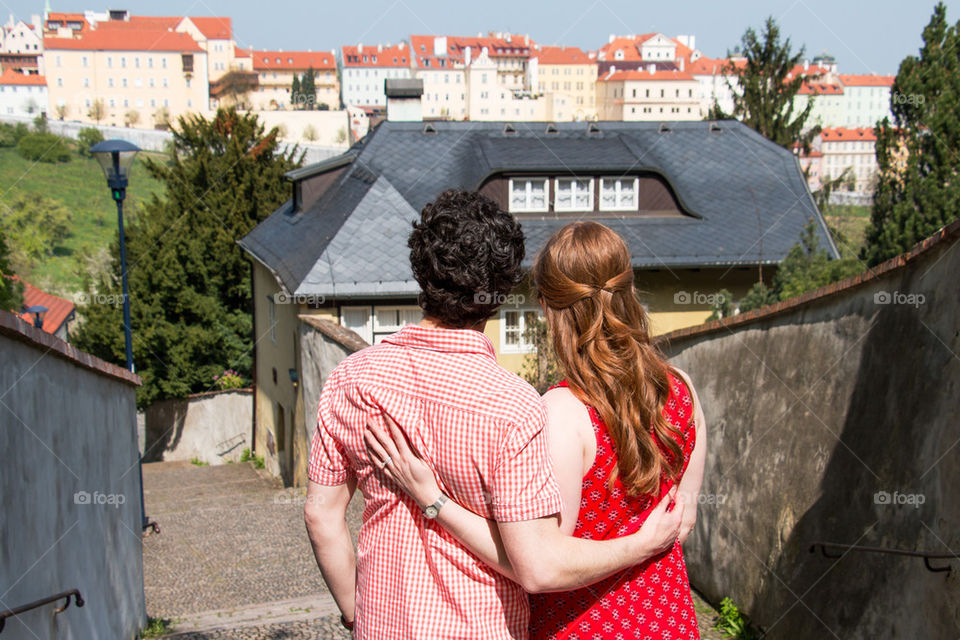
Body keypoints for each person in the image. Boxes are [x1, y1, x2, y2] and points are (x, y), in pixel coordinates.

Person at [304, 191, 686, 640]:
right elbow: (536, 564)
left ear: (421, 272)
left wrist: (356, 613)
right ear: (500, 292)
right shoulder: (516, 407)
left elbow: (321, 516)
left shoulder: (349, 380)